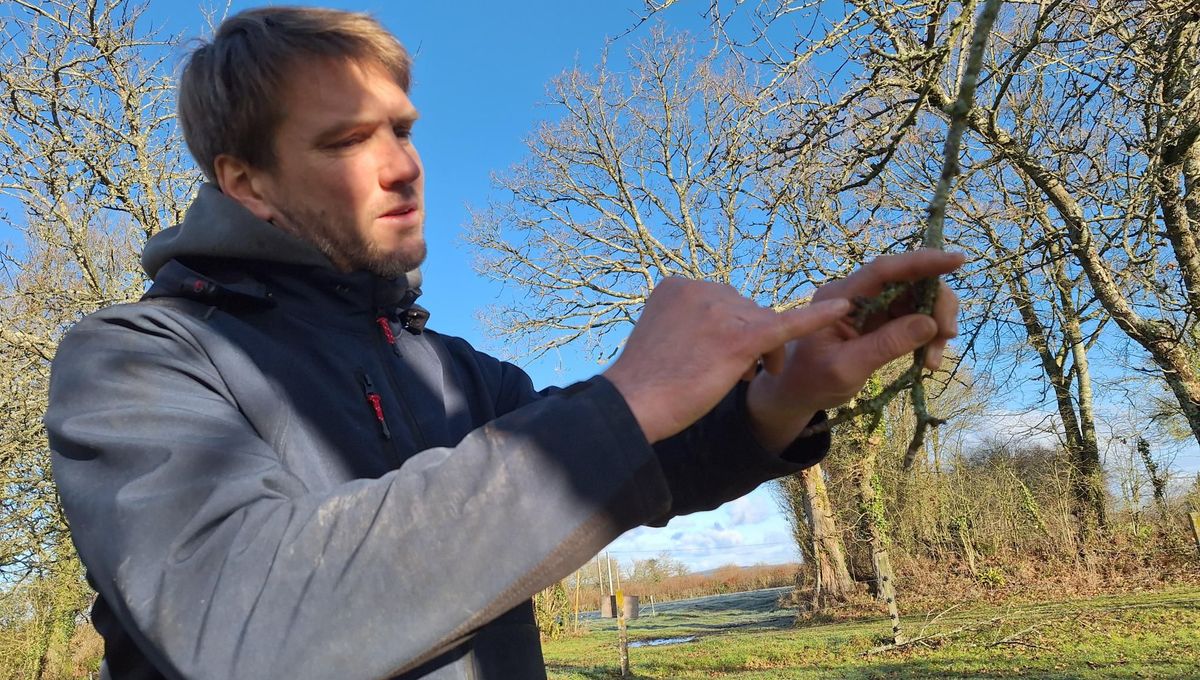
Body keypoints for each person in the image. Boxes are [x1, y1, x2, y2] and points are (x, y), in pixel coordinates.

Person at [45, 6, 962, 680]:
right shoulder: (135, 359)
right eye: (346, 141)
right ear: (245, 181)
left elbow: (637, 466)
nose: (403, 165)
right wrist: (631, 392)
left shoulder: (461, 373)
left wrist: (783, 395)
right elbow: (236, 621)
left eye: (402, 129)